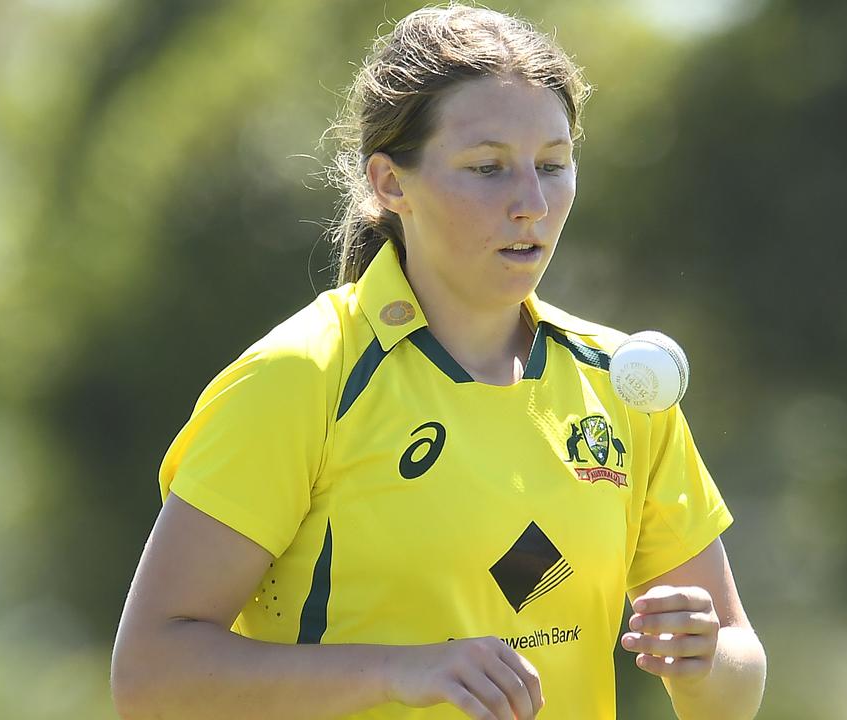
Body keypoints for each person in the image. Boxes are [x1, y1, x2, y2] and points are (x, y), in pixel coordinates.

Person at [110, 4, 767, 719]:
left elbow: (734, 684)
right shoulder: (302, 377)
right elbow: (151, 676)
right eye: (487, 168)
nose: (531, 203)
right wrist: (400, 672)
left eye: (552, 165)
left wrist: (703, 661)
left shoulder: (619, 385)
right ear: (391, 184)